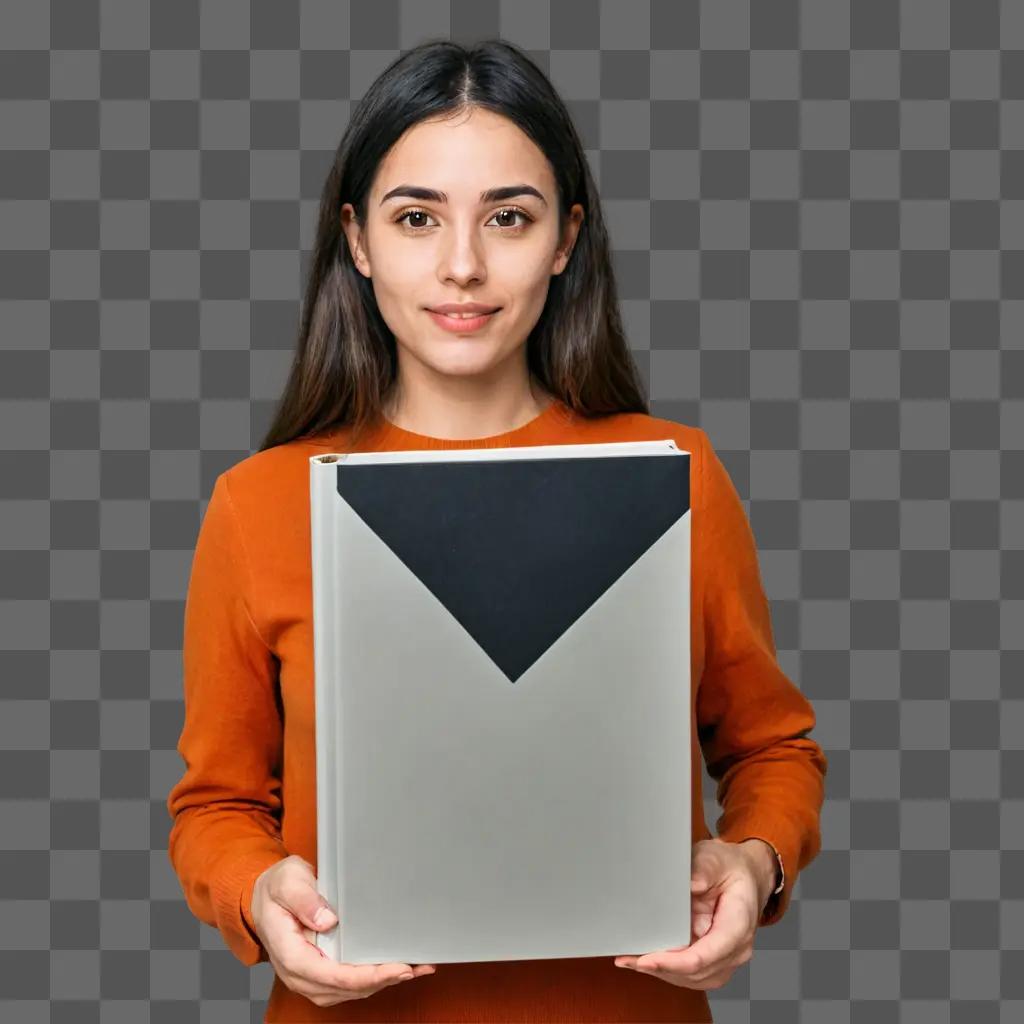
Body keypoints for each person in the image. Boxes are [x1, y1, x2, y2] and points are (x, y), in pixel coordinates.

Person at [166, 37, 828, 1024]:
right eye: (416, 217)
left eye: (507, 218)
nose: (462, 265)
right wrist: (259, 893)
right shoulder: (259, 503)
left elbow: (773, 747)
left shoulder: (675, 474)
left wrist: (751, 858)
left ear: (564, 238)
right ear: (357, 240)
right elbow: (215, 806)